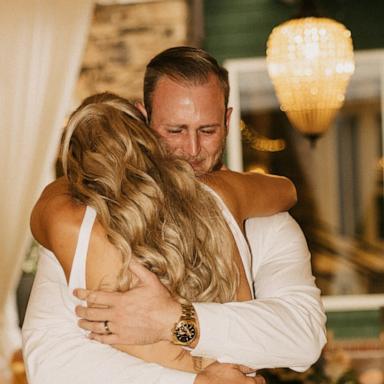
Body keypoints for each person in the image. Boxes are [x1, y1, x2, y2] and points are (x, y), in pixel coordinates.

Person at [26, 46, 326, 378]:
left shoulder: (264, 218)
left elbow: (303, 337)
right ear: (144, 121)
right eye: (175, 131)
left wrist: (175, 319)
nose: (193, 151)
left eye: (207, 130)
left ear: (227, 121)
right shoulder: (80, 221)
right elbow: (52, 362)